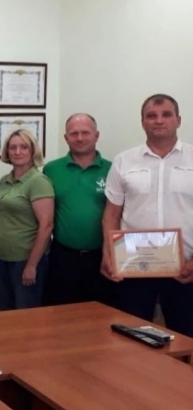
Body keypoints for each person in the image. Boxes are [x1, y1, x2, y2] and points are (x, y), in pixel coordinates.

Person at [102, 93, 193, 337]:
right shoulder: (124, 161)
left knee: (186, 337)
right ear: (142, 122)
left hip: (185, 267)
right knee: (131, 337)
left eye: (166, 115)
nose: (159, 120)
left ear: (178, 120)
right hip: (133, 266)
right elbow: (111, 215)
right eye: (151, 116)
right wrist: (108, 253)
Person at [42, 114, 113, 306]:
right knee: (61, 313)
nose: (79, 138)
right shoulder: (51, 170)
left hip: (102, 256)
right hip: (63, 256)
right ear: (66, 138)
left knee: (101, 314)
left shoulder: (113, 169)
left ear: (96, 135)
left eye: (85, 133)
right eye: (74, 134)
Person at [0, 129, 54, 310]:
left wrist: (32, 265)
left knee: (26, 315)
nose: (17, 152)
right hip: (2, 257)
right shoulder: (5, 180)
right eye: (12, 148)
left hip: (25, 259)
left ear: (33, 150)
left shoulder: (38, 181)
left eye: (24, 147)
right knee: (7, 311)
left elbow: (46, 225)